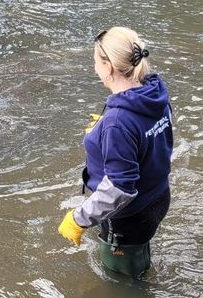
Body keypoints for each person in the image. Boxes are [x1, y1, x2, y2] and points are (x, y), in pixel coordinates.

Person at [58, 26, 172, 277]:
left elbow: (121, 187)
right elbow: (148, 138)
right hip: (157, 197)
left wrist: (79, 219)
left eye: (95, 62)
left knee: (123, 280)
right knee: (137, 252)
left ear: (109, 67)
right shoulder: (154, 92)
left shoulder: (118, 122)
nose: (94, 69)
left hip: (127, 216)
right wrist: (105, 129)